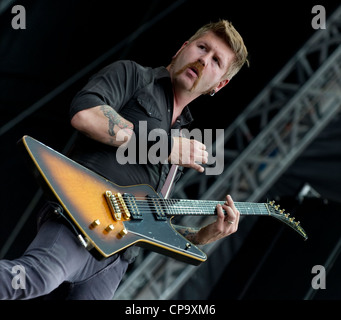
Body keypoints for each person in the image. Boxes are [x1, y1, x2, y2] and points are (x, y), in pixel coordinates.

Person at [0, 19, 248, 300]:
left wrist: (202, 236)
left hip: (116, 259)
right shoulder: (134, 76)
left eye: (216, 61)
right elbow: (86, 115)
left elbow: (150, 223)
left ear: (220, 84)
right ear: (183, 48)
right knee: (31, 279)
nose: (204, 59)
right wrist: (163, 146)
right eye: (202, 47)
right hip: (81, 220)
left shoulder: (182, 141)